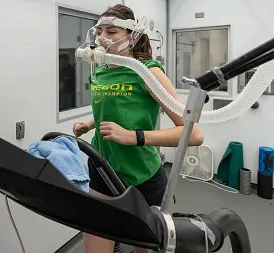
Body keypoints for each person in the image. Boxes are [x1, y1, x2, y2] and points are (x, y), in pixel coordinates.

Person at [72, 4, 204, 253]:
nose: (102, 38)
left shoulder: (147, 71)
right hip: (102, 169)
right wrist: (90, 123)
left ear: (131, 36)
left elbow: (193, 134)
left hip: (142, 175)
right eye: (100, 31)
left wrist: (133, 136)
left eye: (111, 32)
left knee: (142, 247)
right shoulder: (98, 72)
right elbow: (113, 106)